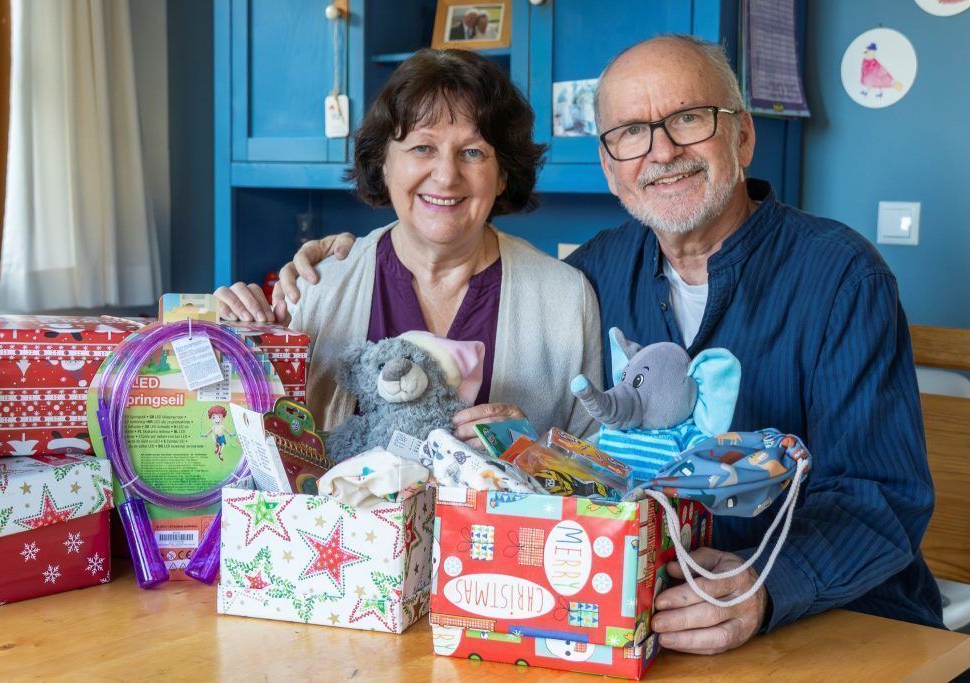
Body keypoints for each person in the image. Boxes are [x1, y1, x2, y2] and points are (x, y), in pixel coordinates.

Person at [275, 35, 944, 654]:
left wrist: (765, 587)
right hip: (640, 618)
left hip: (838, 623)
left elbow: (882, 495)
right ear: (608, 163)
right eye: (630, 133)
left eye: (688, 119)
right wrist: (528, 451)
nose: (660, 151)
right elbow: (584, 470)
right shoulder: (591, 278)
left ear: (742, 135)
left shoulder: (841, 278)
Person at [214, 48, 602, 446]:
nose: (447, 176)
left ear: (502, 175)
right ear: (384, 163)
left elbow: (602, 476)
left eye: (472, 152)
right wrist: (231, 350)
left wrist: (530, 454)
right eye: (422, 148)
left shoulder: (566, 300)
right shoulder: (319, 287)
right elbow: (261, 450)